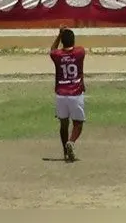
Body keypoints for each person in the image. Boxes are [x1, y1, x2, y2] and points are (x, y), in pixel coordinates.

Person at [50, 28, 85, 162]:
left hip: (61, 94)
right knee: (78, 123)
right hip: (76, 93)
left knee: (63, 124)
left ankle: (65, 152)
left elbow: (52, 50)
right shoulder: (80, 52)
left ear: (62, 41)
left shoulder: (58, 55)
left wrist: (58, 35)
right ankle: (71, 142)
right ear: (73, 41)